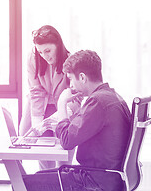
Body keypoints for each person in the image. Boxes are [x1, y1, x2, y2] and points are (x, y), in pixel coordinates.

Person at [23, 50, 131, 191]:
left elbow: (67, 140)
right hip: (106, 177)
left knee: (21, 183)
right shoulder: (110, 96)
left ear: (82, 77)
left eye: (71, 79)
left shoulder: (98, 102)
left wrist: (62, 103)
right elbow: (77, 128)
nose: (71, 85)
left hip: (94, 180)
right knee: (38, 176)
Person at [20, 25, 71, 169]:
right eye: (41, 52)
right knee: (41, 150)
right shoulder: (33, 57)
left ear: (58, 45)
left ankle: (64, 181)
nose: (44, 55)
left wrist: (57, 117)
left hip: (62, 107)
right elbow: (36, 91)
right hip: (39, 104)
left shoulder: (70, 60)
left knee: (63, 152)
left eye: (48, 50)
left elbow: (73, 98)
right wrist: (38, 123)